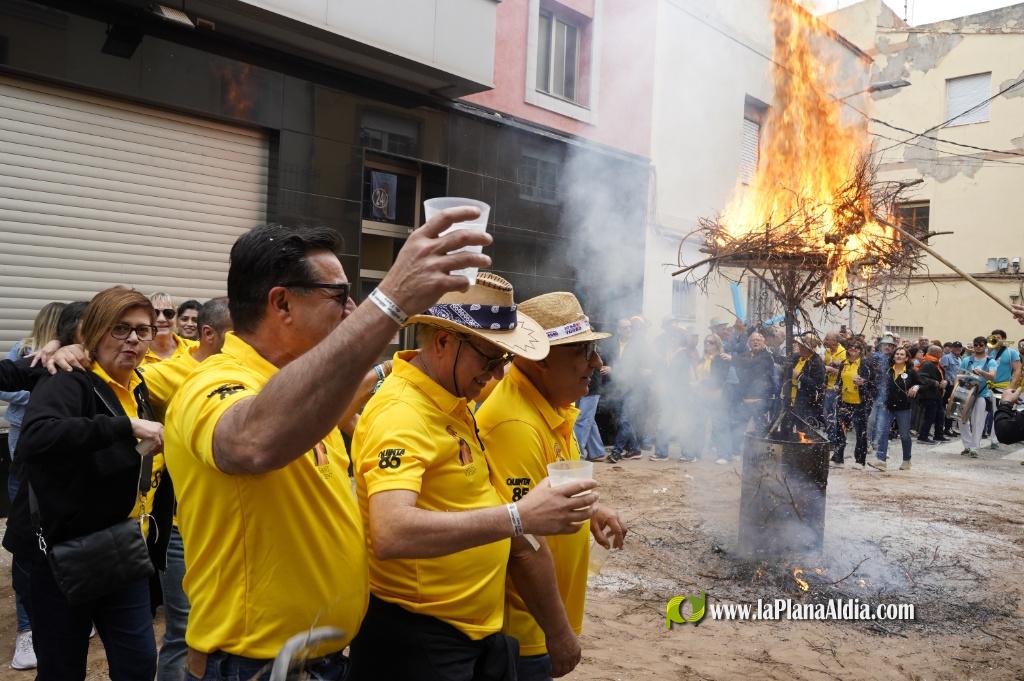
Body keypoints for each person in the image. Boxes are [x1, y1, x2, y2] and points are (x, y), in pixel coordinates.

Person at [163, 212, 493, 680]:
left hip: (314, 663)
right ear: (282, 304)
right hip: (253, 668)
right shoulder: (213, 383)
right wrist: (391, 302)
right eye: (338, 296)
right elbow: (251, 442)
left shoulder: (298, 390)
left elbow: (327, 405)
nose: (350, 308)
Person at [348, 273, 598, 681]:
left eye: (504, 359)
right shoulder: (403, 412)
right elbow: (391, 531)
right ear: (444, 342)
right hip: (418, 637)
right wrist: (517, 517)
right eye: (489, 358)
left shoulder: (449, 399)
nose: (497, 374)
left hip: (460, 633)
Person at [17, 287, 165, 680]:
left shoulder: (139, 383)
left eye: (143, 330)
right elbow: (38, 438)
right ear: (96, 333)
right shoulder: (69, 380)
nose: (133, 339)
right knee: (62, 668)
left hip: (121, 548)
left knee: (136, 663)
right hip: (62, 554)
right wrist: (125, 426)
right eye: (121, 329)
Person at [477, 291, 626, 681]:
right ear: (540, 359)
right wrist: (558, 635)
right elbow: (523, 545)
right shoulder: (515, 424)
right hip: (524, 632)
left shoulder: (551, 407)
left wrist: (593, 509)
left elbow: (552, 485)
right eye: (582, 351)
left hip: (538, 626)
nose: (596, 363)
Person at [0, 301, 64, 670]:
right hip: (23, 459)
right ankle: (27, 630)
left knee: (56, 539)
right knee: (26, 540)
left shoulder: (75, 361)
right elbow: (9, 386)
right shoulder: (27, 352)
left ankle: (61, 607)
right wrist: (37, 387)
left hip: (58, 461)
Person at [871, 346, 920, 471]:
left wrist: (916, 387)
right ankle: (881, 461)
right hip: (887, 406)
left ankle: (907, 460)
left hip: (904, 407)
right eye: (897, 354)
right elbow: (877, 385)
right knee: (883, 432)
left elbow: (920, 383)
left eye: (902, 354)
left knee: (904, 435)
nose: (898, 356)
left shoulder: (911, 372)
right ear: (893, 356)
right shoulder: (887, 370)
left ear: (906, 358)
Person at [693, 334, 733, 463]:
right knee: (699, 424)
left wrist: (701, 383)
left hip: (716, 396)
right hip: (701, 395)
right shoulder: (703, 359)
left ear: (718, 344)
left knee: (720, 425)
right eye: (706, 342)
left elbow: (720, 378)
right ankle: (696, 453)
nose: (708, 344)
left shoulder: (721, 358)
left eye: (711, 342)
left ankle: (724, 455)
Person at [834, 340, 874, 467]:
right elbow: (839, 380)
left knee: (860, 432)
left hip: (860, 403)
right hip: (844, 402)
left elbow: (874, 383)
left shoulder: (865, 364)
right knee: (840, 430)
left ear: (861, 351)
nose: (853, 349)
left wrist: (864, 382)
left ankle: (860, 461)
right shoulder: (843, 363)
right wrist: (837, 386)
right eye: (850, 347)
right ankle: (838, 457)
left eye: (856, 348)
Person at [732, 332, 776, 438]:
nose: (755, 342)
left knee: (760, 428)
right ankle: (735, 452)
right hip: (746, 397)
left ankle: (760, 451)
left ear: (763, 342)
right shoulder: (745, 355)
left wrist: (733, 359)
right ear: (749, 343)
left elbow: (751, 365)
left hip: (761, 399)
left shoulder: (767, 356)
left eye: (758, 340)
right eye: (752, 340)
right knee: (738, 425)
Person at [959, 337, 997, 458]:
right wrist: (953, 394)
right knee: (961, 419)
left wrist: (981, 373)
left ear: (985, 346)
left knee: (978, 421)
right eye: (976, 345)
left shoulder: (991, 361)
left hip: (982, 393)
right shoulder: (966, 360)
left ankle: (974, 447)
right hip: (965, 391)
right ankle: (967, 445)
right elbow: (959, 376)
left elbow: (992, 376)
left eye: (981, 345)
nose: (978, 347)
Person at [145, 292, 198, 363]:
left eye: (168, 313)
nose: (161, 319)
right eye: (154, 313)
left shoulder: (195, 348)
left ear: (175, 318)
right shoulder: (137, 352)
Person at [866, 334, 896, 447]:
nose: (887, 347)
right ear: (880, 346)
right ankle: (868, 441)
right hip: (874, 393)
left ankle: (876, 442)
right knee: (871, 420)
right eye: (885, 345)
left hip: (887, 395)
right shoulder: (873, 358)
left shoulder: (894, 360)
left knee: (882, 420)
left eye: (890, 345)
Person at [790, 333, 825, 427]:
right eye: (800, 345)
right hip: (792, 398)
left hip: (807, 402)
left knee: (804, 428)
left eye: (802, 346)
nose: (800, 347)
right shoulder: (796, 357)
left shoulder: (816, 362)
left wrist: (799, 376)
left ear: (809, 349)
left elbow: (817, 384)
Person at [916, 345, 948, 444]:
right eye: (941, 352)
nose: (942, 354)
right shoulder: (927, 363)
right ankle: (923, 437)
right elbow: (921, 378)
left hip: (936, 394)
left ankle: (938, 435)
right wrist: (935, 383)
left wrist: (944, 382)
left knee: (940, 415)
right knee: (929, 416)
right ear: (936, 353)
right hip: (928, 394)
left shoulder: (935, 363)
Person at [821, 332, 847, 453]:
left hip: (837, 390)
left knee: (835, 416)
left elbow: (845, 374)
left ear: (835, 341)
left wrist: (831, 369)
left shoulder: (844, 353)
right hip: (827, 388)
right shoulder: (826, 351)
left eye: (828, 338)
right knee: (827, 415)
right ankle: (831, 439)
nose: (825, 340)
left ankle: (836, 441)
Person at [941, 342, 963, 437]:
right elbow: (944, 371)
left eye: (959, 347)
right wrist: (948, 382)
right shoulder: (946, 357)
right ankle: (945, 428)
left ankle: (949, 427)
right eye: (955, 347)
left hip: (958, 386)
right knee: (947, 407)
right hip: (949, 386)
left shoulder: (960, 358)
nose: (957, 349)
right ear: (952, 348)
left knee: (954, 408)